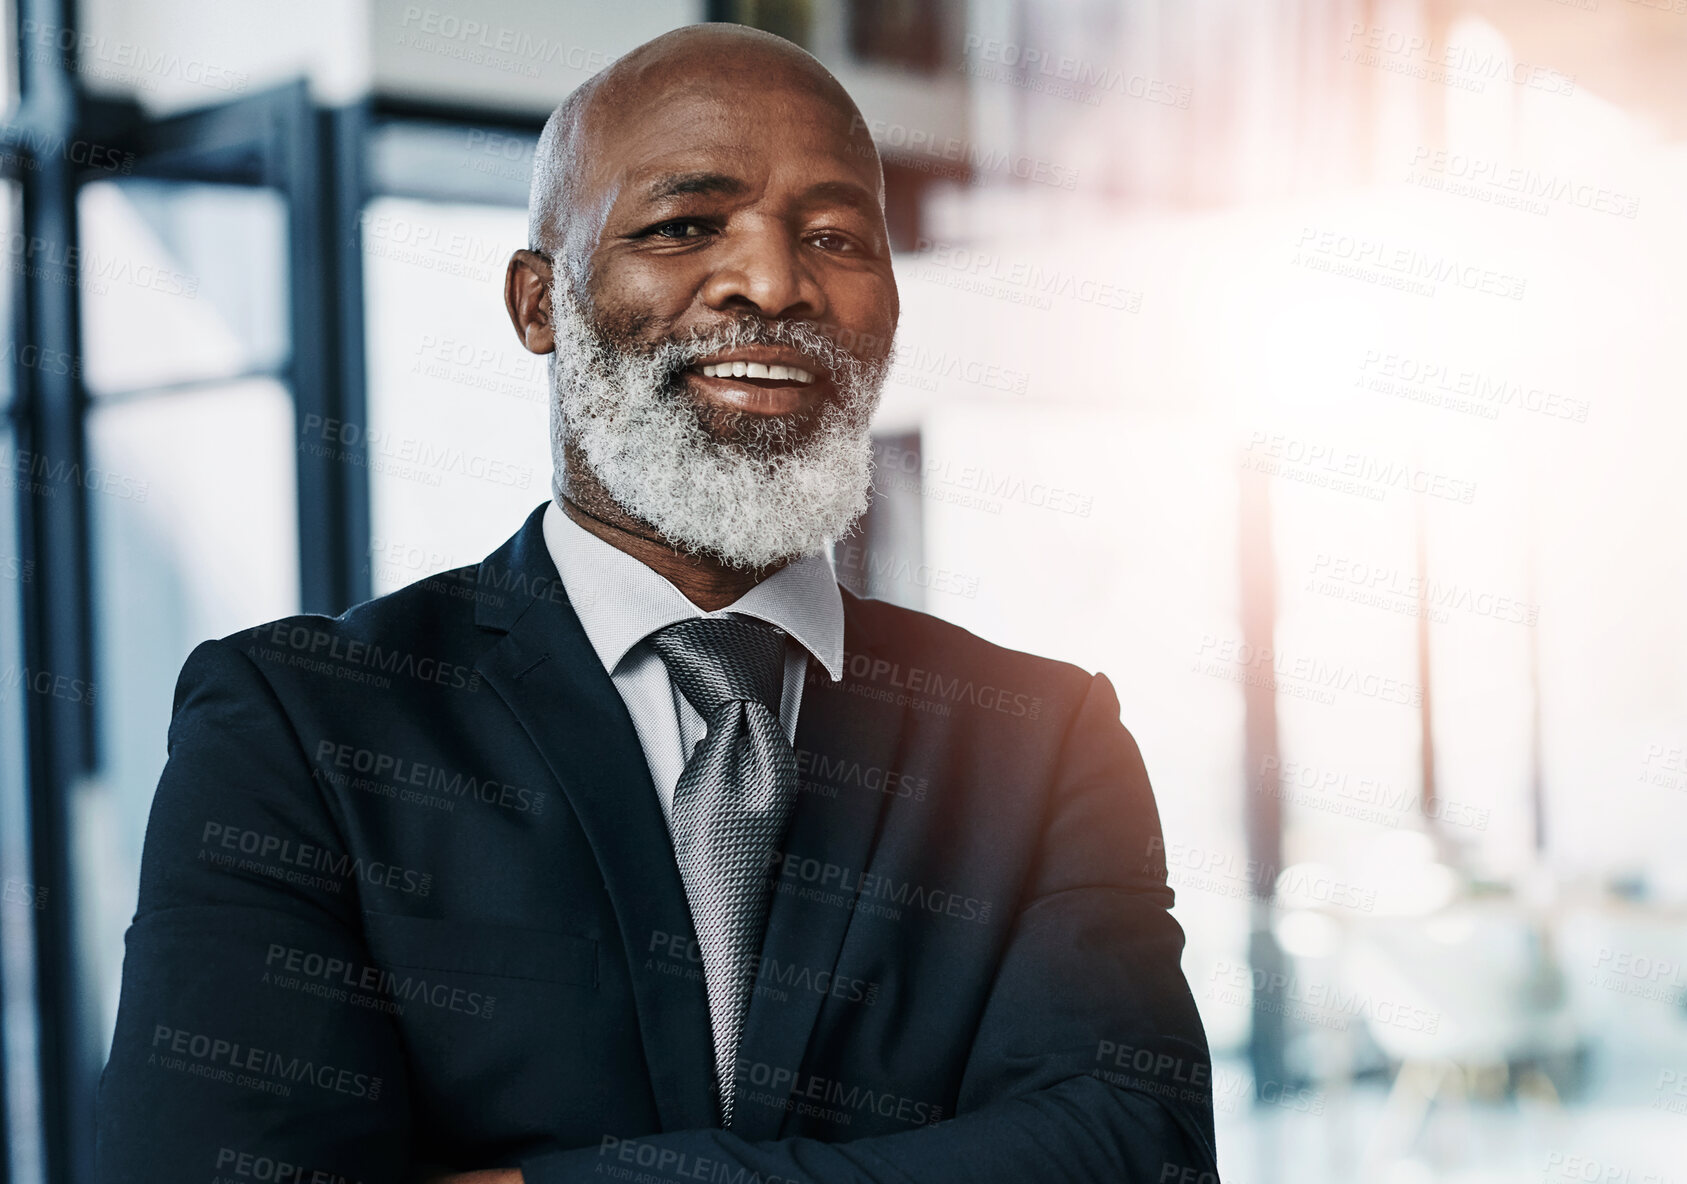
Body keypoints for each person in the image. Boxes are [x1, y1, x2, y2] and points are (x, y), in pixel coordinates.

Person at [94, 23, 1216, 1184]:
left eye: (835, 236)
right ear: (539, 302)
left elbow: (1144, 1154)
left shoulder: (1041, 736)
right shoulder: (299, 728)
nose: (775, 283)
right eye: (685, 226)